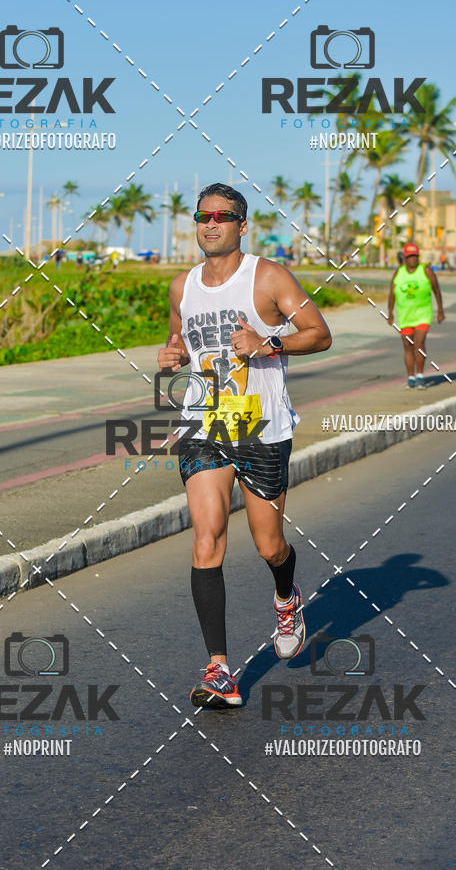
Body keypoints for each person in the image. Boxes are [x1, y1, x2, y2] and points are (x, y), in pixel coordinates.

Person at [157, 183, 332, 708]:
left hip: (262, 428)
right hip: (204, 424)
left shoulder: (268, 276)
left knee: (268, 545)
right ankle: (219, 671)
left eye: (222, 216)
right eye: (203, 216)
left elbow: (319, 333)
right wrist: (172, 358)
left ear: (242, 225)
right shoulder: (182, 286)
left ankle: (286, 595)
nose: (211, 224)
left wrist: (266, 342)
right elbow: (178, 343)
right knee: (207, 537)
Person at [387, 242, 445, 388]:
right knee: (408, 346)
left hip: (422, 314)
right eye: (409, 256)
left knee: (419, 343)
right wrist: (390, 313)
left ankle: (419, 375)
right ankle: (411, 377)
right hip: (405, 315)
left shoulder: (426, 271)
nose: (412, 259)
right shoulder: (398, 273)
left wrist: (440, 310)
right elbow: (392, 295)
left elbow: (436, 290)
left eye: (415, 256)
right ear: (404, 258)